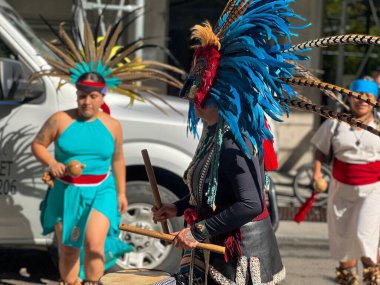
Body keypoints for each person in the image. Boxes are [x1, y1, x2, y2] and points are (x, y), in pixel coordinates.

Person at [30, 17, 184, 285]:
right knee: (67, 248)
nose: (86, 101)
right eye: (81, 95)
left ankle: (92, 283)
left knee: (94, 245)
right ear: (76, 94)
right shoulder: (59, 119)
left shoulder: (112, 124)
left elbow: (118, 159)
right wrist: (51, 163)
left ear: (102, 96)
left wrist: (122, 192)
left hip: (102, 189)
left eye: (93, 96)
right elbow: (38, 145)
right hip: (66, 191)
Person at [311, 79, 380, 285]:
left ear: (375, 100)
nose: (362, 100)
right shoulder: (334, 123)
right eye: (357, 96)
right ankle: (348, 279)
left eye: (368, 97)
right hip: (340, 189)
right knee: (343, 239)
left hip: (372, 190)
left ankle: (373, 277)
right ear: (349, 98)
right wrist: (317, 175)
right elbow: (319, 150)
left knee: (363, 235)